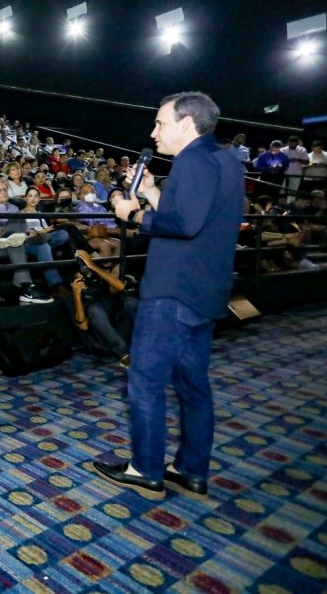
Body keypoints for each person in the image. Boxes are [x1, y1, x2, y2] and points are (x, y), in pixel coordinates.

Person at [92, 91, 244, 501]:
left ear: (186, 123)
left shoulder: (192, 160)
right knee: (194, 387)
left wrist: (132, 214)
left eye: (160, 123)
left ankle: (145, 469)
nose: (153, 131)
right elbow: (194, 216)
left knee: (144, 383)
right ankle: (191, 470)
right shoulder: (225, 160)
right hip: (204, 290)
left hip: (173, 291)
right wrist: (152, 194)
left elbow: (183, 224)